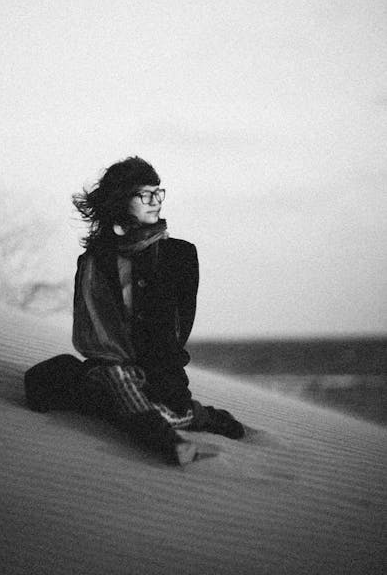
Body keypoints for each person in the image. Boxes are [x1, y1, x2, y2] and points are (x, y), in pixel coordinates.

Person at [24, 156, 244, 466]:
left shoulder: (179, 255)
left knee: (136, 394)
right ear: (121, 200)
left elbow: (179, 330)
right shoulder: (93, 262)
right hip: (107, 368)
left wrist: (145, 371)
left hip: (159, 374)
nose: (156, 201)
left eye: (158, 192)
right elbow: (92, 333)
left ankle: (186, 429)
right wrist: (119, 365)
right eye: (145, 194)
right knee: (51, 379)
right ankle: (178, 430)